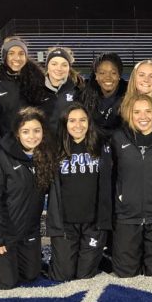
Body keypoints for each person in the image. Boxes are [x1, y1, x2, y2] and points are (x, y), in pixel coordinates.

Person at [0, 107, 57, 289]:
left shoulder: (44, 154)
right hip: (5, 232)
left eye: (37, 131)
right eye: (26, 131)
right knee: (6, 282)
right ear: (16, 133)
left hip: (29, 231)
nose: (32, 136)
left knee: (31, 275)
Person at [110, 94, 152, 277]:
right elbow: (111, 176)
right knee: (125, 274)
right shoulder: (117, 138)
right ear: (128, 114)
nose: (143, 116)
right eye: (137, 112)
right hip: (127, 217)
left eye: (148, 111)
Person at [46, 103, 112, 281]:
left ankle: (98, 254)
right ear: (64, 123)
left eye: (83, 120)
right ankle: (60, 257)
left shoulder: (102, 145)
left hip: (93, 224)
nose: (78, 125)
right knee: (63, 276)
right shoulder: (54, 148)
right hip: (65, 224)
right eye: (72, 120)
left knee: (85, 276)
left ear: (89, 122)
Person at [0, 36, 46, 139]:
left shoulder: (38, 79)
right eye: (11, 53)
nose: (17, 58)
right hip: (5, 144)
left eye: (21, 53)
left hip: (32, 142)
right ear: (4, 56)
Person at [81, 52, 127, 140]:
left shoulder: (129, 95)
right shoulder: (85, 95)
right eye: (102, 73)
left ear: (119, 75)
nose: (108, 77)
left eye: (113, 73)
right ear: (96, 76)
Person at [39, 46, 84, 133]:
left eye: (64, 65)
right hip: (44, 143)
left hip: (68, 142)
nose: (59, 68)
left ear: (69, 68)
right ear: (47, 65)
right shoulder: (36, 89)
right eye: (54, 64)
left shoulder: (78, 89)